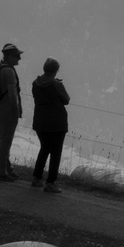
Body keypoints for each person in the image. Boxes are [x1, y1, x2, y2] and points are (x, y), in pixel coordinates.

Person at [30, 57, 71, 193]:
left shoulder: (35, 83)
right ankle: (51, 183)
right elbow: (66, 100)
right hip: (57, 123)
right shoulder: (56, 85)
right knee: (56, 152)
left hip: (41, 121)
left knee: (45, 148)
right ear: (56, 70)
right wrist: (58, 85)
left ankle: (37, 178)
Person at [0, 44, 23, 181]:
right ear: (9, 56)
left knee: (1, 138)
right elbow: (12, 93)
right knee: (6, 140)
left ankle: (6, 168)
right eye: (17, 56)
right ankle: (0, 172)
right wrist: (16, 110)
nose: (19, 58)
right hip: (7, 110)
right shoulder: (9, 71)